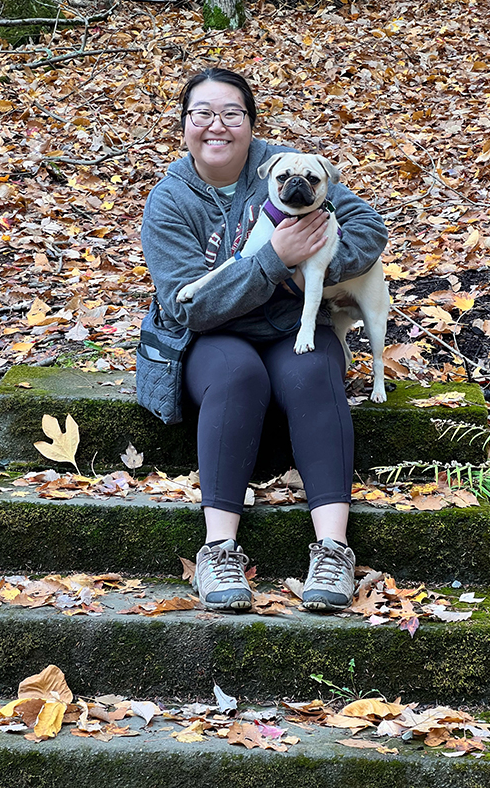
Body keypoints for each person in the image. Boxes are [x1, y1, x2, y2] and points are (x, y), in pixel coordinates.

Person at [139, 68, 388, 612]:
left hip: (289, 324)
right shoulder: (169, 201)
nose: (217, 126)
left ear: (251, 124)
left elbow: (369, 229)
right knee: (237, 376)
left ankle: (333, 548)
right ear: (184, 126)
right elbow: (193, 305)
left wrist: (314, 267)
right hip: (210, 336)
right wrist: (274, 258)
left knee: (314, 374)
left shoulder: (287, 166)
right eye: (201, 114)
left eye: (232, 113)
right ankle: (219, 548)